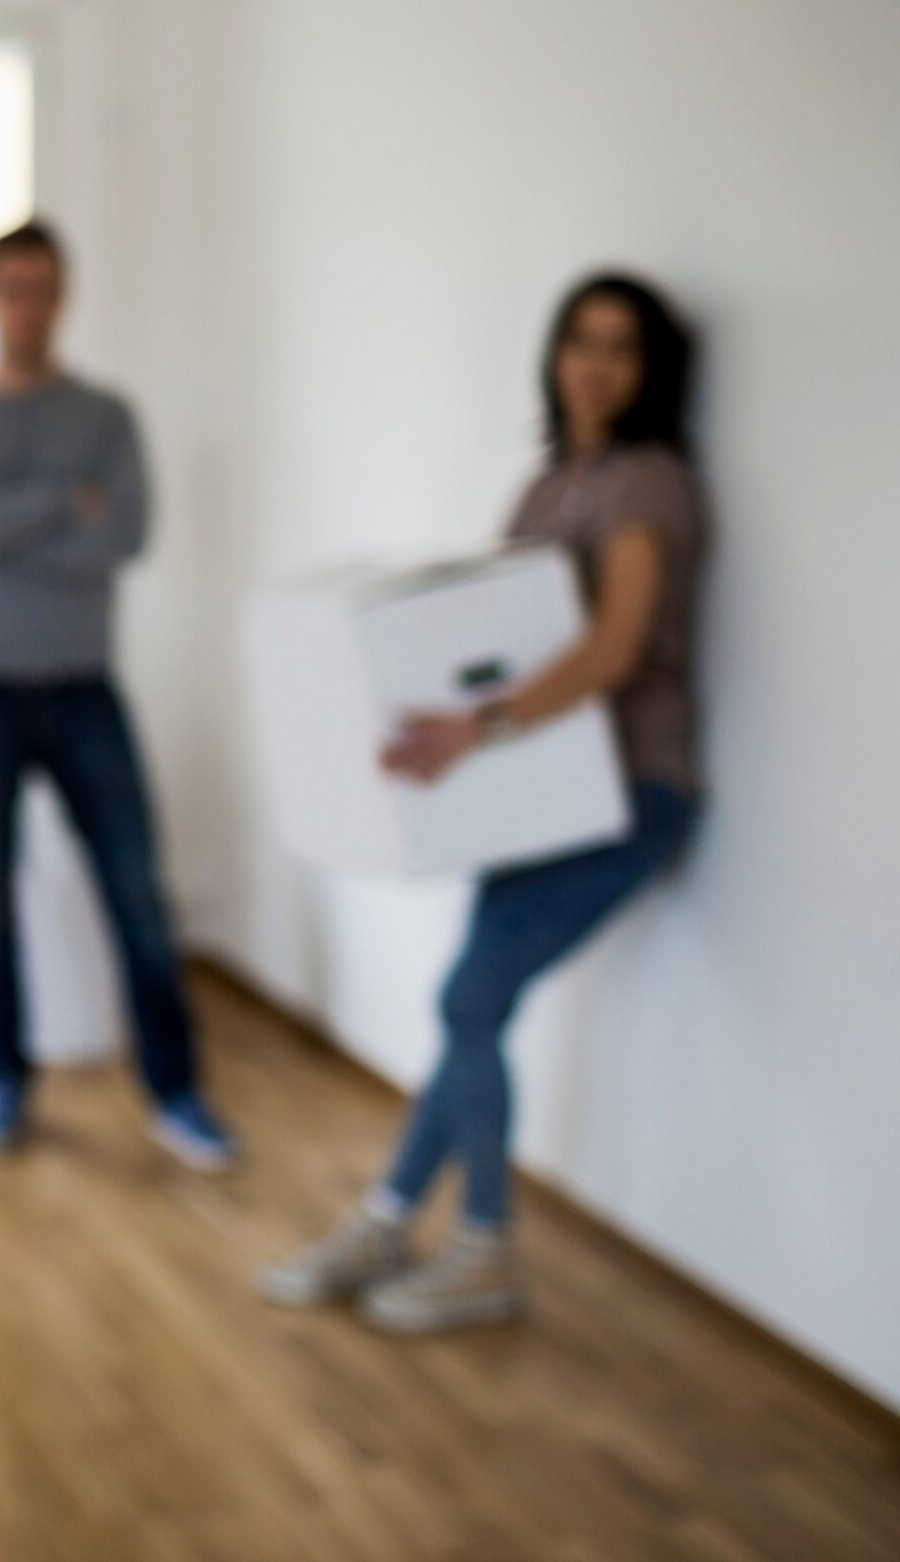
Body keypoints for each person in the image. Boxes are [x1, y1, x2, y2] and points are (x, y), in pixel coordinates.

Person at [259, 273, 703, 1334]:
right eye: (579, 342)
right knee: (472, 1007)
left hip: (630, 791)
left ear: (652, 372)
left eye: (620, 348)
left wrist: (475, 731)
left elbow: (611, 649)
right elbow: (495, 631)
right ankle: (392, 1218)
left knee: (467, 1003)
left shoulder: (648, 486)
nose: (594, 365)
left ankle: (482, 1247)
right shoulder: (547, 486)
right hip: (536, 796)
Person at [0, 220, 237, 1169]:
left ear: (65, 295)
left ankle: (177, 1092)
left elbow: (123, 535)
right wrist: (65, 499)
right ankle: (4, 1083)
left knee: (138, 894)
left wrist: (0, 509)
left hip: (86, 687)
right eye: (12, 286)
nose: (29, 304)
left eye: (44, 286)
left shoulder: (107, 415)